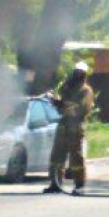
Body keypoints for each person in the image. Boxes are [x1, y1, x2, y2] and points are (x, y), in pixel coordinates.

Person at [42, 61, 95, 196]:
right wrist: (56, 101)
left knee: (76, 157)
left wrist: (65, 106)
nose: (76, 74)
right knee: (56, 155)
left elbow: (82, 108)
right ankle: (55, 183)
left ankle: (79, 185)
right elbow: (62, 104)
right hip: (64, 124)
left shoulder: (86, 90)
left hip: (76, 126)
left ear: (84, 74)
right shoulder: (68, 87)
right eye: (75, 72)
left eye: (79, 72)